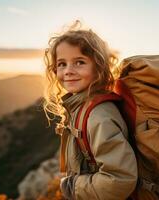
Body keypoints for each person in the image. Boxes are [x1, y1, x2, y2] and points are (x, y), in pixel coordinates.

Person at [43, 21, 138, 200]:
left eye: (79, 62)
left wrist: (73, 187)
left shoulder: (99, 116)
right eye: (61, 64)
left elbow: (120, 179)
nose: (68, 71)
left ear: (99, 68)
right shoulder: (81, 105)